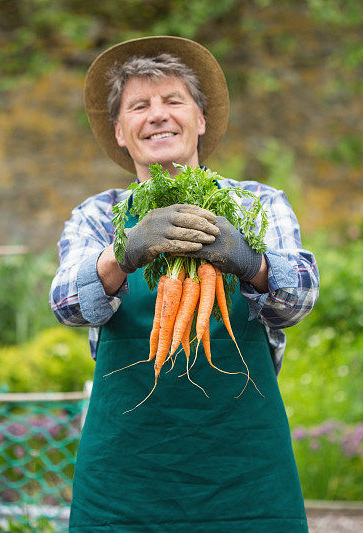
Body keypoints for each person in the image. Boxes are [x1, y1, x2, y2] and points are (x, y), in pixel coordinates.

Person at [50, 35, 319, 532]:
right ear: (120, 132)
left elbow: (298, 299)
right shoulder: (97, 217)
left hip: (243, 466)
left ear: (201, 120)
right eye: (139, 106)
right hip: (126, 472)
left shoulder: (259, 204)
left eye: (174, 101)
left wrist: (247, 259)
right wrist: (125, 251)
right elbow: (68, 304)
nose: (158, 115)